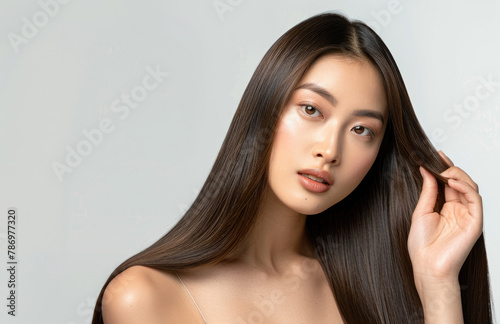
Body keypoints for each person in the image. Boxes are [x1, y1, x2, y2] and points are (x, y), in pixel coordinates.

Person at [91, 11, 492, 323]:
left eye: (361, 130)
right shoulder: (146, 296)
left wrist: (438, 283)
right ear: (265, 109)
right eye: (311, 109)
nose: (329, 150)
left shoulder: (381, 286)